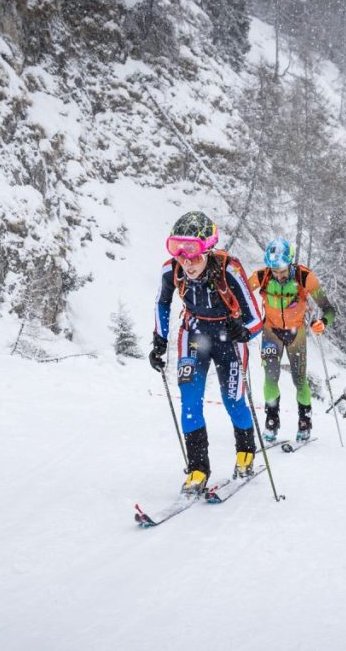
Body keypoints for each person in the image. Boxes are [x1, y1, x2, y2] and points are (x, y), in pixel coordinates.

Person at [150, 211, 264, 495]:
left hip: (229, 340)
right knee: (189, 401)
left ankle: (246, 452)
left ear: (208, 250)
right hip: (194, 335)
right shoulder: (171, 270)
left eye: (195, 255)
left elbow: (256, 318)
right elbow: (162, 303)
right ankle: (198, 468)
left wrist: (244, 332)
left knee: (232, 400)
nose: (187, 263)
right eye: (180, 253)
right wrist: (159, 341)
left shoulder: (229, 270)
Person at [247, 238, 336, 442]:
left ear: (290, 262)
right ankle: (271, 421)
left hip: (297, 334)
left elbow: (329, 309)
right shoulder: (261, 276)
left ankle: (305, 421)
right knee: (270, 377)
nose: (277, 274)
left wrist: (322, 322)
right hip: (271, 332)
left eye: (281, 269)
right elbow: (239, 291)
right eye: (274, 269)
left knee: (299, 380)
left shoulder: (305, 277)